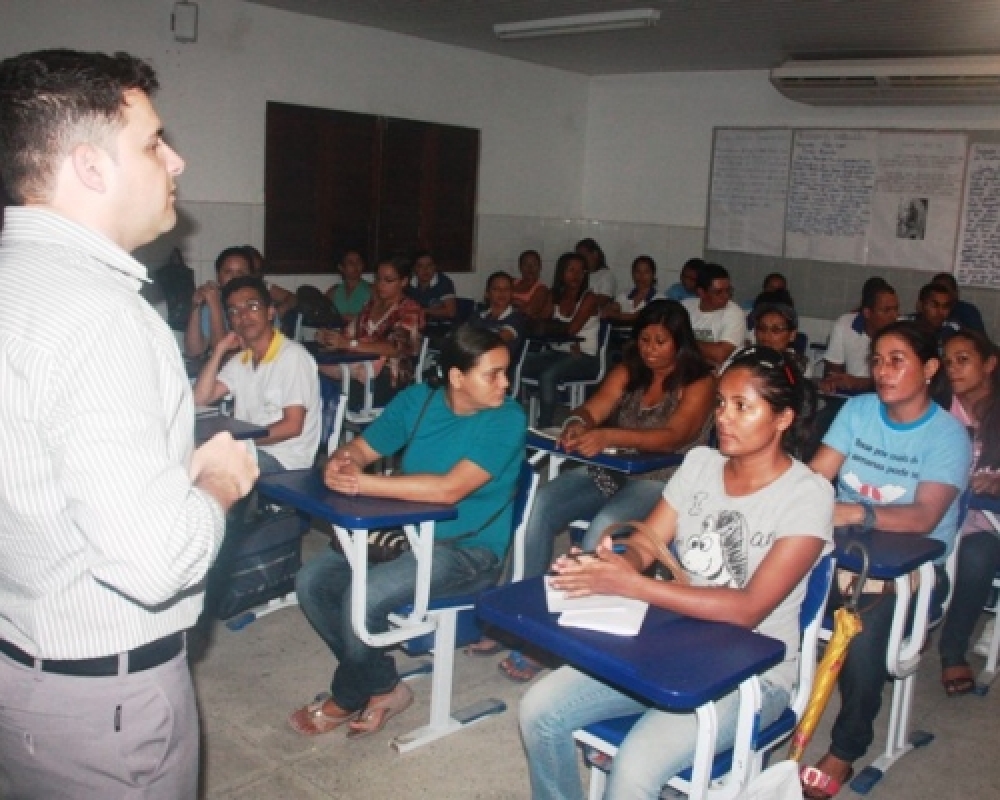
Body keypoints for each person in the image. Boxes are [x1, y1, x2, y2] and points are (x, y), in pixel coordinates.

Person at [0, 49, 258, 799]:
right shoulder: (101, 315)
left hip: (23, 661)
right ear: (88, 166)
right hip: (101, 707)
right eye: (151, 141)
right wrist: (215, 480)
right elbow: (154, 563)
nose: (175, 159)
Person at [520, 346, 834, 800]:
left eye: (743, 407)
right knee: (538, 709)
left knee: (634, 766)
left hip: (752, 673)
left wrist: (634, 586)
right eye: (721, 403)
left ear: (783, 418)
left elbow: (748, 609)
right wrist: (611, 564)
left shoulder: (808, 495)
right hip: (674, 641)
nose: (724, 417)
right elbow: (648, 540)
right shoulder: (700, 464)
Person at [290, 327, 526, 738]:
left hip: (467, 550)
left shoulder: (507, 419)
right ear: (457, 377)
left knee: (363, 599)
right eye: (494, 374)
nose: (506, 383)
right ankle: (383, 685)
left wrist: (362, 484)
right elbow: (363, 449)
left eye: (506, 372)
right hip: (403, 534)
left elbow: (450, 489)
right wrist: (342, 462)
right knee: (312, 582)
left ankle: (347, 695)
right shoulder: (418, 400)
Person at [494, 299, 716, 681]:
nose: (649, 349)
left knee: (604, 530)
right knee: (540, 504)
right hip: (616, 468)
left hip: (664, 481)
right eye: (644, 340)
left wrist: (609, 434)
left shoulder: (699, 381)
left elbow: (672, 437)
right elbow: (593, 408)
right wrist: (578, 423)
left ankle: (568, 641)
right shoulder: (630, 370)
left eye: (660, 341)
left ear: (680, 343)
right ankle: (525, 616)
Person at [804, 320, 971, 800]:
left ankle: (847, 745)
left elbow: (923, 516)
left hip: (914, 568)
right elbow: (819, 478)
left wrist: (852, 510)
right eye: (877, 360)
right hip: (842, 550)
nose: (881, 370)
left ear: (929, 368)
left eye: (897, 360)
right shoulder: (857, 412)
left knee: (862, 626)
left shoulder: (947, 436)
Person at [193, 275, 322, 473]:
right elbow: (201, 398)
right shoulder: (241, 361)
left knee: (212, 467)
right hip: (250, 451)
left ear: (270, 312)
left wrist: (238, 442)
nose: (243, 316)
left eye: (252, 307)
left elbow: (292, 426)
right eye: (234, 311)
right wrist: (219, 350)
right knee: (188, 455)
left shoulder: (292, 357)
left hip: (285, 460)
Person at [938, 329, 1000, 696]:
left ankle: (953, 649)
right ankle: (911, 630)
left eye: (963, 360)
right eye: (948, 362)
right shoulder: (939, 410)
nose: (953, 370)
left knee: (978, 555)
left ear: (990, 365)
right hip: (943, 513)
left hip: (987, 522)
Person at [315, 255, 424, 411]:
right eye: (378, 279)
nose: (381, 285)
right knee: (314, 381)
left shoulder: (409, 309)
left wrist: (350, 344)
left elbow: (395, 347)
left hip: (390, 378)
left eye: (388, 280)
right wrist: (329, 337)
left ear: (404, 281)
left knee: (327, 389)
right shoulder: (370, 305)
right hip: (360, 367)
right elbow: (349, 333)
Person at [520, 252, 601, 428]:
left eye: (581, 271)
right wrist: (559, 331)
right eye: (571, 270)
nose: (576, 275)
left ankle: (545, 426)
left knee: (548, 375)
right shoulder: (554, 295)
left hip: (585, 357)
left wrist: (554, 327)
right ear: (561, 273)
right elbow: (540, 325)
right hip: (559, 352)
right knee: (519, 364)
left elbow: (572, 329)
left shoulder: (589, 298)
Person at [821, 277, 899, 394]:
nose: (894, 316)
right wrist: (832, 381)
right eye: (887, 310)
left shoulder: (903, 334)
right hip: (850, 397)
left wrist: (859, 383)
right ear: (867, 313)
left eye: (896, 309)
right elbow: (832, 371)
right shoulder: (844, 324)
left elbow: (899, 380)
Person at [184, 245, 253, 357]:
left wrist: (215, 305)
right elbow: (193, 351)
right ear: (218, 277)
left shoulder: (260, 307)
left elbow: (225, 356)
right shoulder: (210, 307)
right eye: (228, 272)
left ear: (250, 277)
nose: (234, 278)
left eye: (241, 273)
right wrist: (195, 306)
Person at [682, 262, 745, 367]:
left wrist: (684, 342)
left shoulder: (734, 312)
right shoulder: (685, 306)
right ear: (701, 292)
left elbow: (720, 355)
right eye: (718, 292)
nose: (726, 296)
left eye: (728, 290)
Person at [469, 270, 527, 355]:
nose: (502, 292)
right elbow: (463, 336)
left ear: (512, 293)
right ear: (487, 294)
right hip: (473, 358)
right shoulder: (478, 315)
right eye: (496, 288)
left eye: (506, 289)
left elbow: (497, 340)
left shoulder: (516, 318)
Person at [753, 291, 809, 377]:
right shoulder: (743, 359)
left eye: (776, 329)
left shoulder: (799, 365)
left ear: (792, 335)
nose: (767, 335)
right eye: (762, 328)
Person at [602, 254, 659, 324]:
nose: (641, 276)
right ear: (633, 274)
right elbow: (609, 310)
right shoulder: (625, 294)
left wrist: (616, 315)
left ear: (653, 275)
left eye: (646, 272)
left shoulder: (659, 299)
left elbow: (638, 317)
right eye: (638, 271)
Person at [903, 282, 960, 349]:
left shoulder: (953, 329)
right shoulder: (903, 325)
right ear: (920, 306)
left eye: (945, 307)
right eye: (934, 305)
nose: (940, 312)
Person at [408, 249, 456, 322]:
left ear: (435, 267)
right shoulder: (408, 283)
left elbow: (451, 312)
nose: (425, 270)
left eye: (429, 265)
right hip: (414, 323)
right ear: (414, 268)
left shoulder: (444, 282)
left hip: (440, 325)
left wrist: (423, 310)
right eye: (420, 266)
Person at [327, 247, 371, 322]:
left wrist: (356, 318)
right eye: (350, 262)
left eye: (358, 262)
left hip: (360, 332)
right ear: (341, 267)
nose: (355, 266)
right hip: (337, 331)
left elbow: (379, 319)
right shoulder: (334, 291)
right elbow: (323, 314)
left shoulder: (372, 290)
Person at [511, 249, 552, 321]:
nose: (530, 268)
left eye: (534, 264)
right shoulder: (511, 282)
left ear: (540, 267)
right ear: (520, 267)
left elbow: (529, 311)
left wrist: (510, 301)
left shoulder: (542, 289)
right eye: (526, 264)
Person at [575, 237, 615, 308]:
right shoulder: (580, 274)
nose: (580, 259)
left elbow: (603, 300)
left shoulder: (606, 275)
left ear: (595, 254)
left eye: (583, 256)